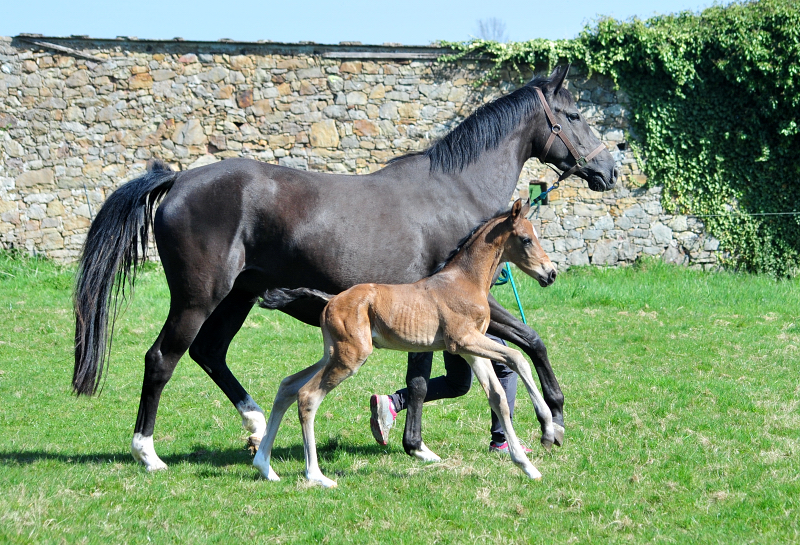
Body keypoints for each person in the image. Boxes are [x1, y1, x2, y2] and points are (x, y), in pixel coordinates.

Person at [370, 333, 531, 454]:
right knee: (506, 365)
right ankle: (502, 440)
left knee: (458, 383)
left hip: (451, 314)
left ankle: (393, 402)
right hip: (465, 315)